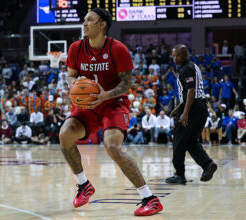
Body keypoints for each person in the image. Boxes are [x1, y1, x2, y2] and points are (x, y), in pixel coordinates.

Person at [59, 8, 162, 216]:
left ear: (102, 24)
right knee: (65, 135)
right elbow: (70, 76)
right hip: (88, 105)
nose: (84, 24)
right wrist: (74, 84)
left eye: (90, 20)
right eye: (84, 20)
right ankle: (83, 185)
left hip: (113, 104)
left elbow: (126, 84)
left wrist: (105, 95)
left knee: (112, 147)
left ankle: (150, 198)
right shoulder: (76, 49)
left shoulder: (118, 49)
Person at [165, 44, 217, 185]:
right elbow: (193, 93)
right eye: (174, 56)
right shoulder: (193, 67)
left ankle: (179, 175)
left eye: (178, 55)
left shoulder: (186, 69)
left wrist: (185, 113)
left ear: (185, 54)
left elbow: (191, 91)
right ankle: (207, 164)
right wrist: (178, 107)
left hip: (192, 109)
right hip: (200, 108)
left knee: (179, 141)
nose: (175, 58)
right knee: (190, 141)